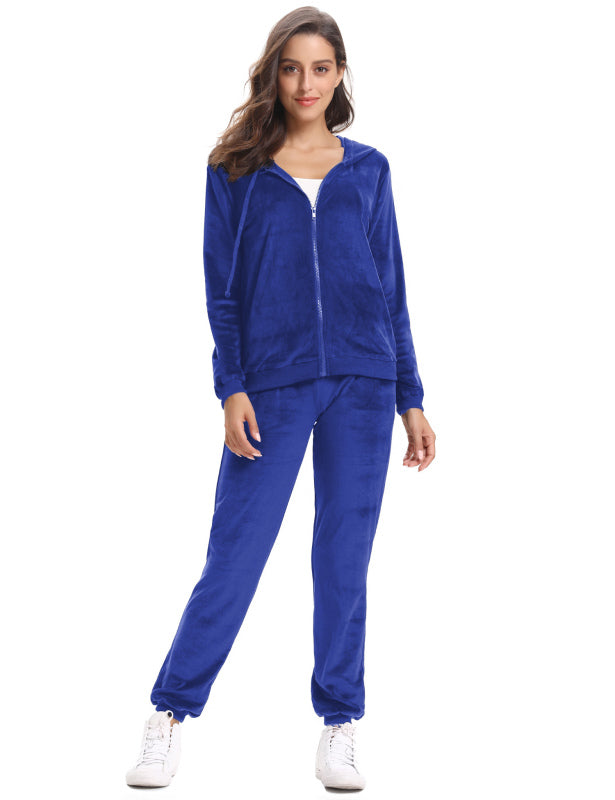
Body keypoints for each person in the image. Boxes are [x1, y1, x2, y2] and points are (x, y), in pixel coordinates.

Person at [125, 6, 436, 792]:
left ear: (339, 75)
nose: (305, 83)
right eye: (291, 67)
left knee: (343, 560)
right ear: (273, 72)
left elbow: (390, 287)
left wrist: (409, 395)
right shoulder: (234, 167)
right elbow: (221, 292)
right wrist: (230, 386)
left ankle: (340, 724)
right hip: (272, 385)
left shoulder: (368, 169)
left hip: (363, 385)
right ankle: (169, 713)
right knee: (235, 555)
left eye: (320, 68)